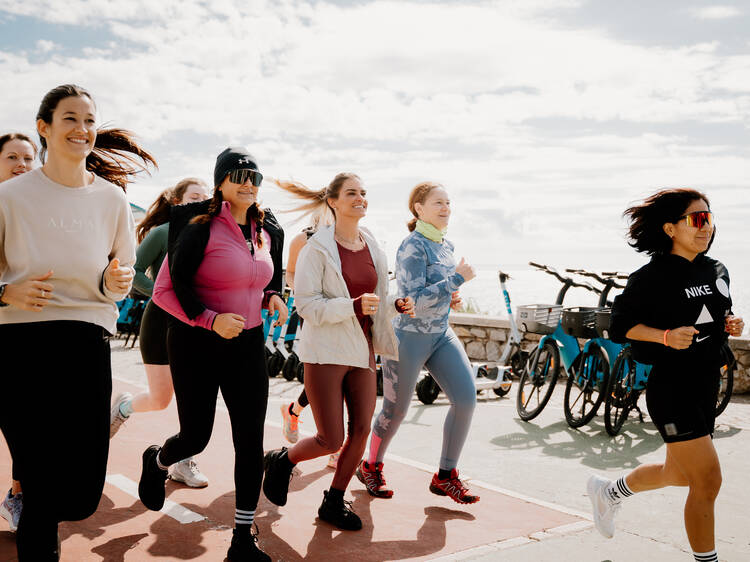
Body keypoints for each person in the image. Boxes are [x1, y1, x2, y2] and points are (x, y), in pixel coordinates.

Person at [0, 84, 155, 560]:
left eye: (89, 120)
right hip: (20, 343)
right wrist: (6, 291)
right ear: (44, 128)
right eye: (70, 118)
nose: (82, 129)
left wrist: (115, 279)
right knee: (43, 488)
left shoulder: (111, 200)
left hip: (86, 343)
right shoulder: (9, 197)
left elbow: (119, 283)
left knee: (82, 494)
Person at [139, 147, 285, 561]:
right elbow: (165, 292)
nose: (247, 184)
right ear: (220, 182)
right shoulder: (197, 226)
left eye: (254, 177)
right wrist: (208, 320)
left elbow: (263, 275)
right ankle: (158, 460)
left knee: (250, 440)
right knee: (195, 436)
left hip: (247, 345)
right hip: (195, 342)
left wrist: (272, 295)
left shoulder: (265, 230)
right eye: (238, 176)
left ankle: (242, 536)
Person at [591, 188, 744, 562]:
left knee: (679, 475)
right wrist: (664, 336)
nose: (705, 226)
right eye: (695, 219)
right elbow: (620, 326)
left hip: (707, 383)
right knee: (708, 481)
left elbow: (713, 315)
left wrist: (731, 324)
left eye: (708, 217)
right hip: (673, 389)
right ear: (671, 229)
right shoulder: (651, 277)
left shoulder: (717, 269)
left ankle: (609, 492)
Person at [262, 173, 415, 531]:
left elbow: (374, 302)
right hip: (326, 352)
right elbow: (307, 306)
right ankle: (282, 460)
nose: (360, 198)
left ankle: (333, 500)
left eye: (364, 193)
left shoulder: (373, 246)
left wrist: (395, 304)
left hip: (363, 351)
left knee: (361, 429)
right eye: (352, 193)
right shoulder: (317, 248)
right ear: (333, 201)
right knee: (330, 438)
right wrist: (354, 305)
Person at [360, 181, 480, 504]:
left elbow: (437, 293)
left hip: (441, 334)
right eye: (438, 203)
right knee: (396, 410)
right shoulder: (412, 246)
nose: (446, 209)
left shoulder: (446, 246)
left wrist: (452, 296)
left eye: (448, 203)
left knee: (466, 399)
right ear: (419, 209)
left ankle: (445, 476)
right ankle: (370, 466)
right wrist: (456, 279)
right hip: (409, 338)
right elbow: (411, 300)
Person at [109, 178, 210, 488]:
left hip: (199, 323)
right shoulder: (162, 232)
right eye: (194, 197)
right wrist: (164, 292)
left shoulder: (215, 237)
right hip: (161, 321)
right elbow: (134, 270)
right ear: (177, 202)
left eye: (206, 199)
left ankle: (183, 460)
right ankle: (124, 407)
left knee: (196, 397)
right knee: (160, 398)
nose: (201, 202)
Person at [0, 132, 37, 534]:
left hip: (20, 337)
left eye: (29, 159)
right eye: (12, 157)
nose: (22, 165)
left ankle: (18, 496)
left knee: (26, 428)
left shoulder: (34, 213)